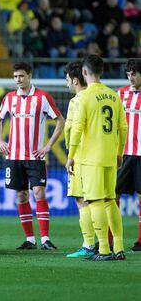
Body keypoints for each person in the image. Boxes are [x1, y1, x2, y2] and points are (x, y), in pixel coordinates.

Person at [0, 62, 65, 250]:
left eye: (21, 76)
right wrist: (0, 140)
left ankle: (45, 239)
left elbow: (60, 120)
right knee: (21, 195)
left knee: (39, 192)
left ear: (29, 76)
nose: (18, 80)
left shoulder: (42, 97)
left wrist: (49, 145)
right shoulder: (9, 98)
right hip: (14, 156)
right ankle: (30, 239)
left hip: (35, 156)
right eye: (15, 76)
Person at [66, 54, 127, 261]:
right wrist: (119, 153)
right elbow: (123, 127)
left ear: (84, 72)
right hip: (111, 155)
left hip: (91, 157)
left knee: (95, 201)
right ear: (101, 70)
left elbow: (77, 128)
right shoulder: (114, 95)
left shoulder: (83, 97)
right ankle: (118, 247)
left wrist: (71, 155)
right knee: (110, 200)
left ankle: (103, 249)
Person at [63, 62, 96, 258]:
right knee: (100, 200)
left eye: (67, 80)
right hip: (98, 155)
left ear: (75, 80)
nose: (66, 83)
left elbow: (73, 131)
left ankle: (89, 244)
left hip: (80, 156)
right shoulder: (98, 97)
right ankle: (105, 244)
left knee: (82, 200)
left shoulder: (77, 101)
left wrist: (71, 156)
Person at [116, 58, 141, 251]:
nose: (131, 77)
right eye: (128, 74)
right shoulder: (120, 94)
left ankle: (140, 241)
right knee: (113, 195)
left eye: (134, 74)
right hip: (123, 153)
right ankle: (111, 240)